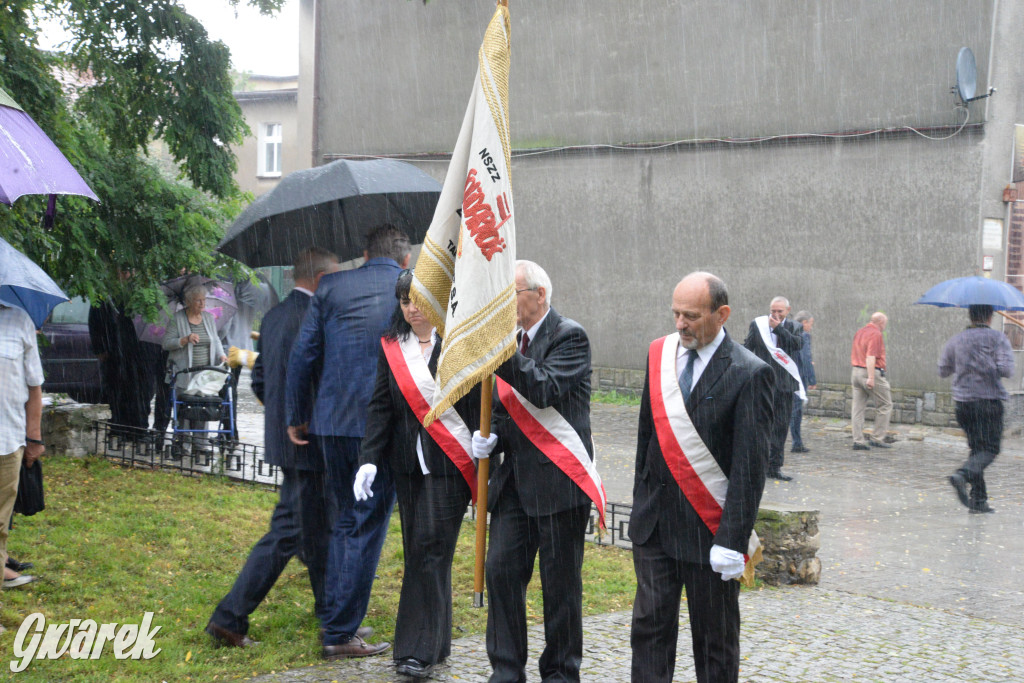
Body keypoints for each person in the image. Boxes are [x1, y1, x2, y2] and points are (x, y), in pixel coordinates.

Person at [629, 272, 772, 683]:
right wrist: (642, 505)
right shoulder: (659, 355)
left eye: (691, 315)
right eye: (675, 314)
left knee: (714, 642)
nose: (680, 324)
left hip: (710, 532)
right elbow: (646, 440)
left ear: (721, 314)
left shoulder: (749, 373)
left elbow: (750, 469)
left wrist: (732, 541)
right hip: (655, 528)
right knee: (650, 633)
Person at [472, 259, 605, 683]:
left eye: (508, 293)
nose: (501, 303)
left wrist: (500, 348)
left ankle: (562, 672)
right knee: (501, 572)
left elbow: (543, 389)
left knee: (559, 586)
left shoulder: (569, 336)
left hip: (559, 481)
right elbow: (504, 409)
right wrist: (490, 435)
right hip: (515, 483)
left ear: (539, 294)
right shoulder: (512, 341)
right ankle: (507, 669)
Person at [286, 224, 411, 660]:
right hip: (382, 429)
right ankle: (340, 631)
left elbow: (304, 353)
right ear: (405, 260)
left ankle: (339, 616)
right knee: (365, 524)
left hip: (332, 423)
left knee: (345, 518)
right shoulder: (408, 289)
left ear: (363, 252)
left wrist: (296, 414)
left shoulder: (333, 285)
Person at [206, 248, 340, 648]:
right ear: (319, 280)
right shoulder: (317, 317)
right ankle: (229, 617)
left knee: (318, 533)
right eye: (332, 278)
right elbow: (320, 382)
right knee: (290, 533)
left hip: (288, 441)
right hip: (310, 441)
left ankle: (334, 619)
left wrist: (282, 418)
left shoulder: (277, 316)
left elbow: (260, 381)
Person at [353, 271, 479, 679]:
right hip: (407, 466)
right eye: (404, 300)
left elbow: (479, 398)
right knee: (421, 552)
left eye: (418, 299)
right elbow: (380, 407)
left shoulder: (458, 343)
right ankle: (437, 641)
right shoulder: (392, 347)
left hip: (450, 465)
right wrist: (369, 457)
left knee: (430, 547)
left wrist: (484, 437)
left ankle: (415, 651)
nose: (411, 308)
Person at [939, 304, 1014, 514]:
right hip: (988, 402)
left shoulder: (956, 340)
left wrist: (964, 364)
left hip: (963, 404)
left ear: (970, 316)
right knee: (990, 449)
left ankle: (978, 500)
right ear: (990, 317)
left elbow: (943, 370)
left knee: (977, 450)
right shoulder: (998, 339)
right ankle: (962, 475)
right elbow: (1007, 370)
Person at [0, 303, 45, 599]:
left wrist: (34, 438)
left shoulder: (19, 319)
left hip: (6, 439)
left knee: (0, 524)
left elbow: (34, 387)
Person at [161, 284, 228, 452]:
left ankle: (200, 443)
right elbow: (166, 343)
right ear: (189, 301)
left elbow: (216, 340)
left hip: (204, 373)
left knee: (202, 407)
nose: (202, 303)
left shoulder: (208, 318)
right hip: (184, 372)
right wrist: (184, 340)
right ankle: (183, 443)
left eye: (204, 300)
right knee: (185, 407)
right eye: (198, 300)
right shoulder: (178, 318)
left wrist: (221, 355)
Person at [744, 295, 803, 481]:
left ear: (788, 310)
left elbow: (795, 345)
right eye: (773, 311)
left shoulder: (795, 327)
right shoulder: (758, 325)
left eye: (780, 311)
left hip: (785, 386)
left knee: (780, 427)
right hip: (763, 384)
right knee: (760, 426)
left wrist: (778, 329)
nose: (776, 315)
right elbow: (748, 348)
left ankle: (774, 467)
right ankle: (757, 465)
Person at [218, 274, 278, 442]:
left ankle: (228, 430)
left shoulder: (230, 299)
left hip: (229, 349)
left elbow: (225, 328)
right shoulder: (250, 297)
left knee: (227, 390)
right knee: (232, 388)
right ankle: (230, 429)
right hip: (243, 346)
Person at [88, 297, 151, 441]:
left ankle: (137, 428)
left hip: (135, 353)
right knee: (114, 390)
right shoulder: (104, 297)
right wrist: (100, 348)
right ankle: (116, 427)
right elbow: (95, 324)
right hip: (113, 353)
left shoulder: (139, 294)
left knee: (138, 391)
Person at [850, 312, 893, 451]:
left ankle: (858, 441)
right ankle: (877, 438)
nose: (885, 326)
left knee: (857, 409)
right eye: (885, 323)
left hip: (855, 372)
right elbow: (870, 357)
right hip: (869, 371)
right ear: (880, 322)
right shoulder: (876, 334)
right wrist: (871, 378)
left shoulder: (860, 331)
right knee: (885, 405)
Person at [789, 311, 817, 453]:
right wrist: (812, 378)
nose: (810, 327)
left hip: (788, 376)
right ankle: (797, 442)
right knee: (796, 410)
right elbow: (806, 358)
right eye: (810, 324)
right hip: (799, 377)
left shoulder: (787, 333)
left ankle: (795, 441)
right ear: (804, 322)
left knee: (790, 410)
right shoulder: (803, 335)